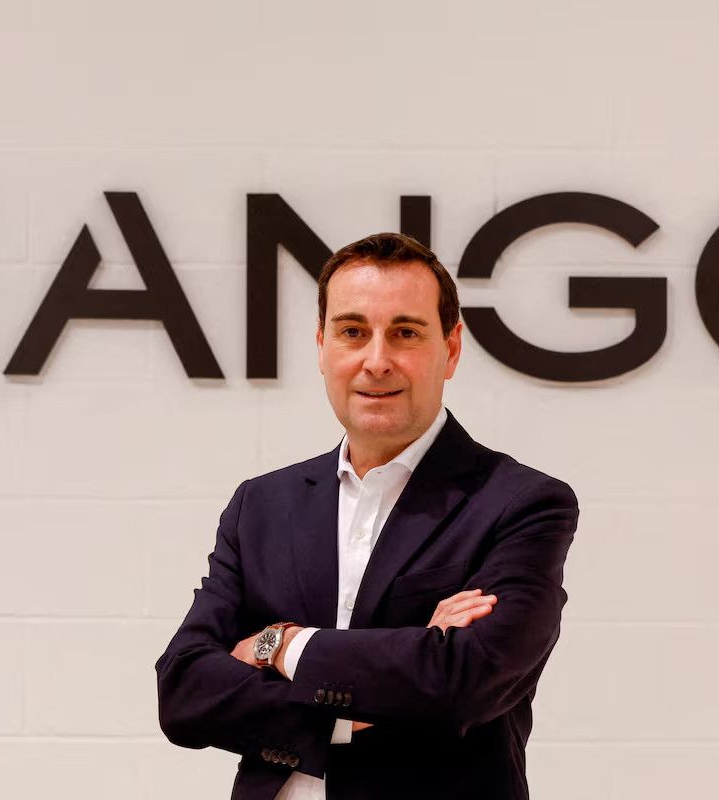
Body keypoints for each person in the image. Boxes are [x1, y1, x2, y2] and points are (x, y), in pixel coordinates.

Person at [154, 232, 578, 799]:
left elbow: (464, 682)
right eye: (353, 332)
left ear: (451, 349)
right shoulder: (261, 505)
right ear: (322, 345)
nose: (376, 361)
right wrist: (376, 687)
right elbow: (184, 690)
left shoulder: (522, 504)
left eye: (405, 333)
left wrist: (279, 645)